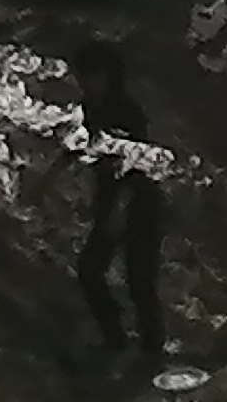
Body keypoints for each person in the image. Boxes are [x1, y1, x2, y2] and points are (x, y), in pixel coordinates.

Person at [72, 36, 169, 372]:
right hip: (109, 202)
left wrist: (119, 209)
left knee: (140, 280)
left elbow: (139, 164)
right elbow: (73, 146)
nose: (86, 82)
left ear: (108, 74)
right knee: (89, 271)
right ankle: (115, 340)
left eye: (92, 74)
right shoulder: (86, 110)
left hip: (141, 203)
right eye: (82, 75)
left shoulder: (128, 111)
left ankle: (153, 352)